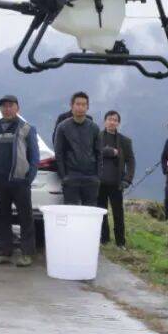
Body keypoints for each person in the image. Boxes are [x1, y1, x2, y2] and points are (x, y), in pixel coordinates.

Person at [0, 95, 41, 267]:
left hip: (19, 181)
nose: (7, 109)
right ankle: (5, 252)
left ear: (17, 108)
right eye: (4, 106)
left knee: (25, 217)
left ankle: (27, 254)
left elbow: (34, 157)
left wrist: (28, 178)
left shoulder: (26, 128)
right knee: (2, 217)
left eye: (10, 106)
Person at [53, 91, 102, 206]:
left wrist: (98, 177)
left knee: (90, 212)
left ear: (87, 107)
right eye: (78, 104)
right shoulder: (62, 127)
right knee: (71, 211)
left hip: (91, 178)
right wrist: (64, 176)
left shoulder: (94, 128)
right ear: (72, 106)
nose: (80, 107)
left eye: (84, 105)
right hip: (71, 176)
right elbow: (58, 153)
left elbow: (99, 153)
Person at [98, 110, 135, 247]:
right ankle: (104, 238)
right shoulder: (97, 137)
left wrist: (127, 179)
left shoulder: (125, 141)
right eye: (109, 119)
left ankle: (120, 242)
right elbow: (93, 153)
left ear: (118, 123)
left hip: (117, 182)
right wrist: (109, 151)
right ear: (105, 121)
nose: (112, 122)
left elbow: (131, 161)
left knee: (118, 213)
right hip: (99, 182)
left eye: (115, 120)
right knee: (101, 211)